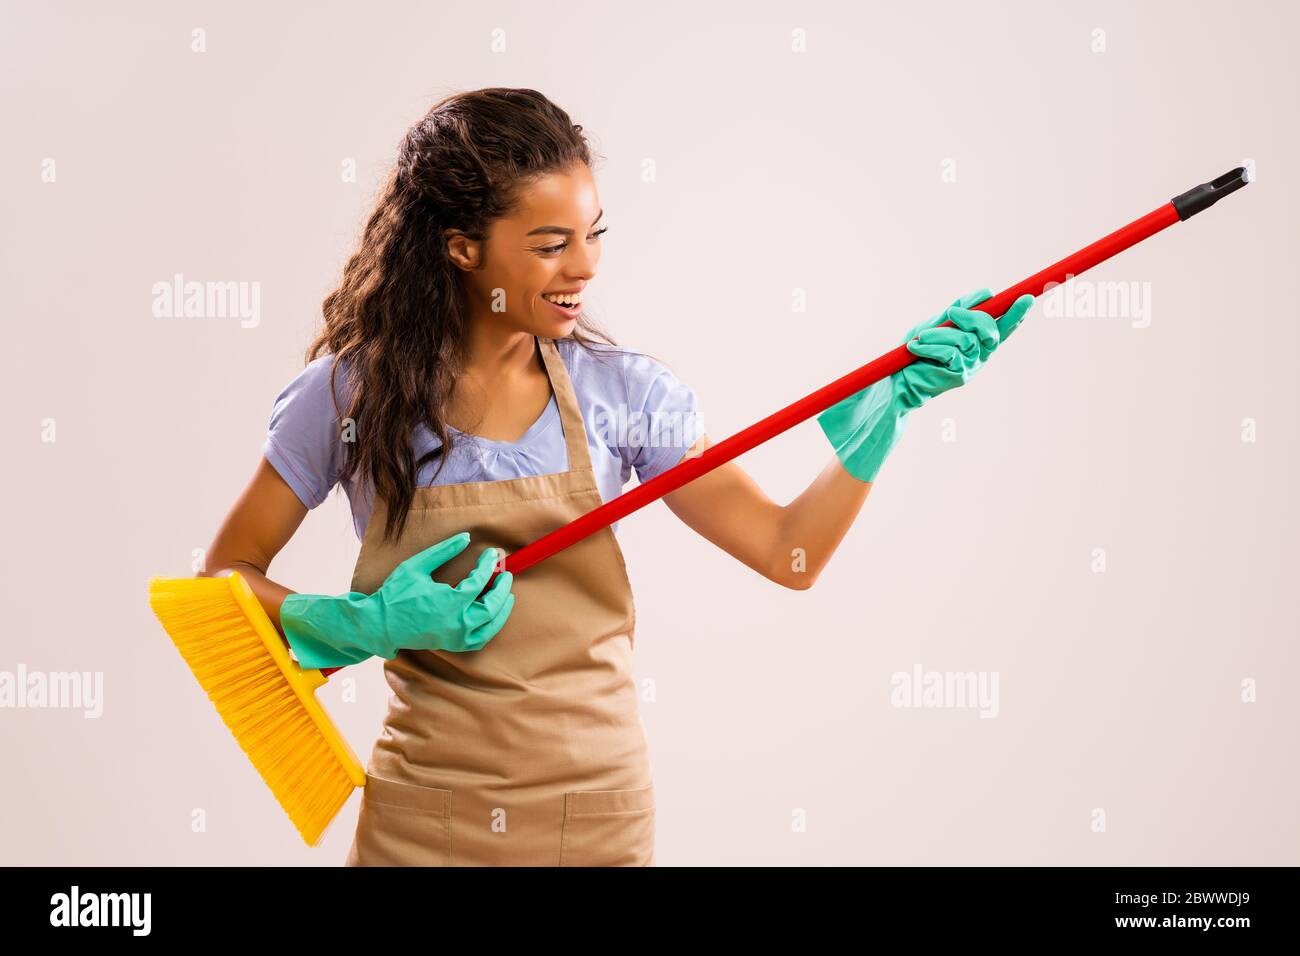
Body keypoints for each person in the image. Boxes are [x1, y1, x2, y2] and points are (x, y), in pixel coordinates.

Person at [199, 87, 1034, 866]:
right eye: (550, 244)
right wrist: (363, 620)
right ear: (461, 248)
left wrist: (881, 418)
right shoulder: (350, 396)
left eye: (594, 234)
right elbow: (222, 582)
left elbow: (789, 555)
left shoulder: (626, 396)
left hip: (594, 817)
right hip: (426, 817)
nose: (585, 267)